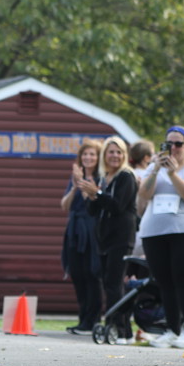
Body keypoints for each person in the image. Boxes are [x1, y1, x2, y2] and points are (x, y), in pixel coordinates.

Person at [137, 126, 184, 349]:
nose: (174, 148)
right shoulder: (152, 168)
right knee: (164, 282)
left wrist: (172, 174)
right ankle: (172, 329)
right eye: (169, 144)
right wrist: (157, 169)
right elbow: (144, 194)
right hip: (154, 231)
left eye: (178, 144)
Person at [80, 137, 138, 344]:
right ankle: (123, 331)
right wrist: (91, 196)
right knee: (109, 283)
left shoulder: (126, 177)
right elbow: (93, 210)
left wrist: (97, 193)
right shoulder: (104, 178)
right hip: (104, 238)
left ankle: (118, 329)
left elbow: (118, 206)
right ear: (104, 155)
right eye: (111, 152)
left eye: (119, 152)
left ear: (124, 155)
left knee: (114, 283)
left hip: (121, 237)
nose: (115, 156)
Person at [60, 140, 103, 334]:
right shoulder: (75, 178)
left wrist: (87, 187)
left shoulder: (101, 177)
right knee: (77, 274)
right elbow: (65, 205)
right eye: (85, 154)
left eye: (92, 154)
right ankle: (83, 318)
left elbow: (97, 204)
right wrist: (75, 186)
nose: (88, 158)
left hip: (92, 229)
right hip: (75, 230)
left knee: (91, 274)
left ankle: (93, 320)